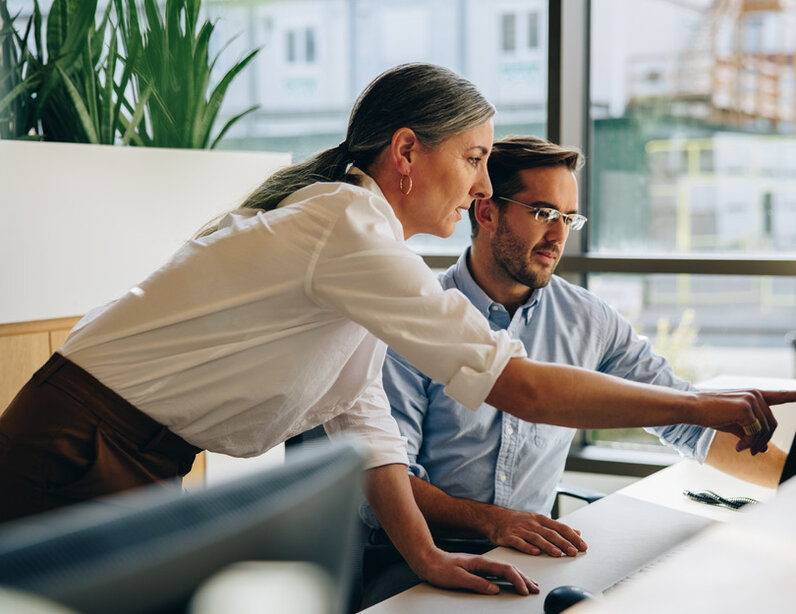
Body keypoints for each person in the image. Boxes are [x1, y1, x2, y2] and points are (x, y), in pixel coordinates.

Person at [0, 64, 790, 598]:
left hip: (131, 448)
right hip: (81, 441)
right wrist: (705, 407)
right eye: (475, 159)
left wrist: (428, 557)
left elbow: (362, 421)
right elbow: (518, 386)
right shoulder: (346, 228)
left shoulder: (365, 248)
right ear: (407, 152)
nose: (483, 184)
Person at [358, 135, 789, 603]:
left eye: (569, 218)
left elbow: (686, 422)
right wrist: (495, 521)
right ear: (486, 212)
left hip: (532, 555)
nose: (559, 235)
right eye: (544, 213)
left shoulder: (587, 319)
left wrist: (788, 485)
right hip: (416, 555)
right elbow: (388, 478)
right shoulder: (417, 316)